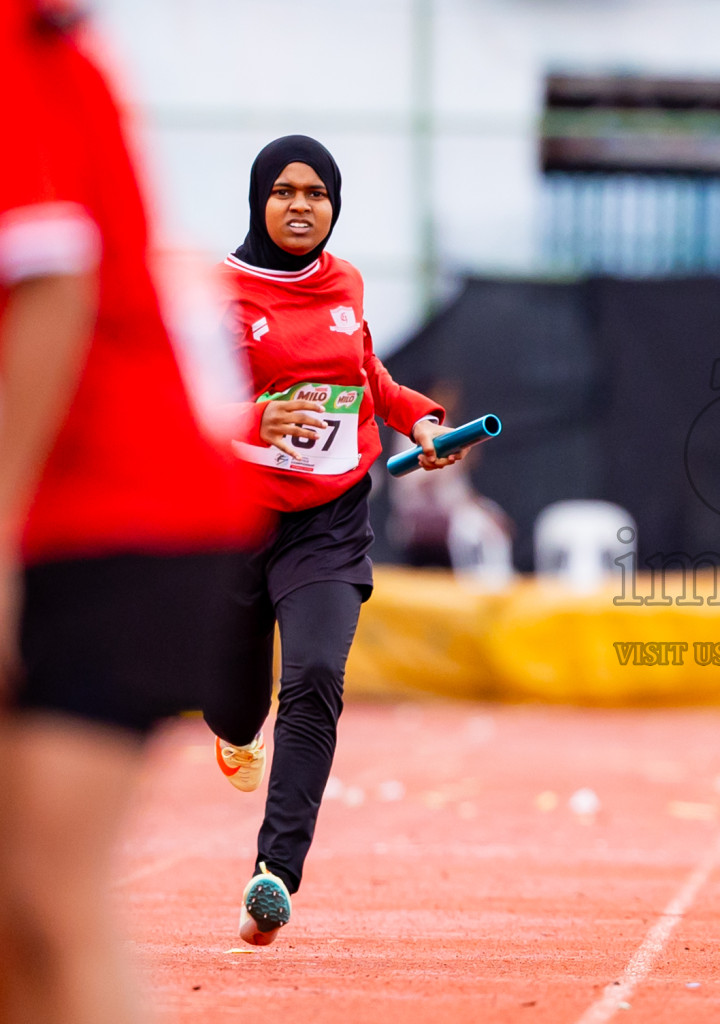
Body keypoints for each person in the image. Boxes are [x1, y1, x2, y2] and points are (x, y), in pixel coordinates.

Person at [0, 2, 262, 1020]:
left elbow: (53, 286)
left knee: (44, 897)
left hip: (114, 521)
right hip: (77, 514)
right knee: (22, 916)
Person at [204, 135, 462, 946]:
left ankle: (274, 874)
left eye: (316, 192)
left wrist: (418, 418)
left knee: (315, 674)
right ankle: (234, 731)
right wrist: (255, 418)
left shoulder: (344, 282)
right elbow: (185, 405)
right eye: (283, 191)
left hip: (329, 521)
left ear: (334, 205)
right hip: (236, 519)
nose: (300, 205)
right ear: (258, 200)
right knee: (234, 704)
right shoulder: (218, 294)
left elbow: (367, 377)